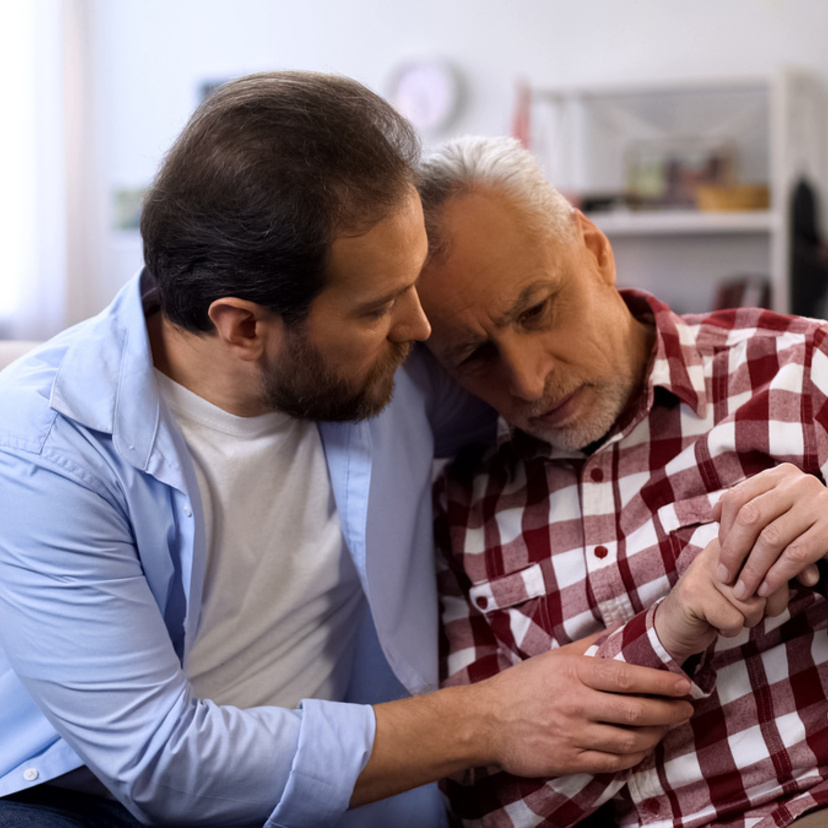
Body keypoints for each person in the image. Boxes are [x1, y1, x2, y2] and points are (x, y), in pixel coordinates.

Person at [0, 74, 697, 828]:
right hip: (92, 804)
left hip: (358, 800)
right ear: (242, 328)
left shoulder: (389, 363)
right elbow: (163, 763)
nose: (421, 328)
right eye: (376, 306)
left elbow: (601, 374)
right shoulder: (44, 450)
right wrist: (492, 719)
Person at [415, 134, 828, 827]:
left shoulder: (804, 370)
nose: (528, 380)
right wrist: (671, 630)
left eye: (536, 309)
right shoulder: (460, 510)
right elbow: (495, 808)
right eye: (475, 355)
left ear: (593, 248)